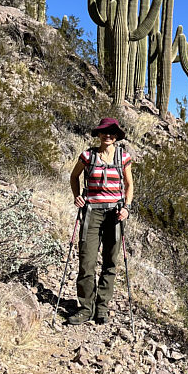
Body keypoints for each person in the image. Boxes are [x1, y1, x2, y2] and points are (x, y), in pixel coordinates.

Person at [68, 117, 133, 325]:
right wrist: (77, 196)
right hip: (91, 212)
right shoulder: (88, 155)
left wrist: (126, 208)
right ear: (98, 134)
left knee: (110, 262)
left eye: (112, 133)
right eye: (105, 132)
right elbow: (74, 176)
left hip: (115, 214)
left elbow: (130, 185)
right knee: (86, 262)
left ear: (116, 137)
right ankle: (86, 308)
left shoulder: (124, 156)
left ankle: (102, 307)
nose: (108, 135)